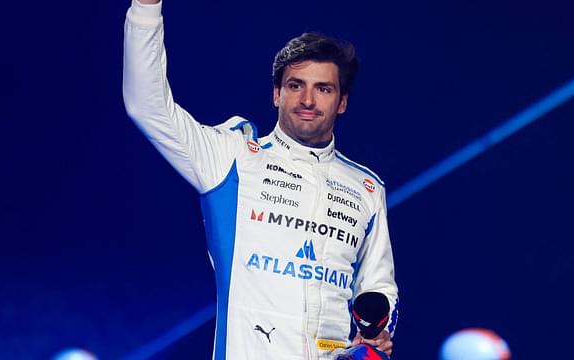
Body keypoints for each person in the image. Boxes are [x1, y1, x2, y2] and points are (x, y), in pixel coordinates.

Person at [123, 1, 399, 358]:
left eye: (324, 89)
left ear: (342, 102)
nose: (307, 100)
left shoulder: (367, 188)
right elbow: (147, 106)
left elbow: (378, 286)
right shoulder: (232, 157)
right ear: (276, 93)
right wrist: (146, 8)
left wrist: (377, 334)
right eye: (295, 85)